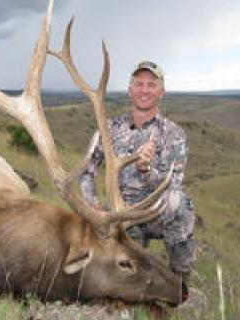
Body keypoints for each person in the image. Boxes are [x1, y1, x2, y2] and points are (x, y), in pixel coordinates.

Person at [79, 60, 196, 282]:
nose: (145, 90)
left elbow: (174, 187)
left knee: (181, 204)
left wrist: (146, 169)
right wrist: (92, 203)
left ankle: (179, 282)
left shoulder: (174, 134)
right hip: (119, 215)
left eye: (152, 85)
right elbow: (86, 171)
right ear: (129, 90)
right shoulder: (109, 129)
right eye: (139, 84)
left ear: (162, 92)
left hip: (154, 214)